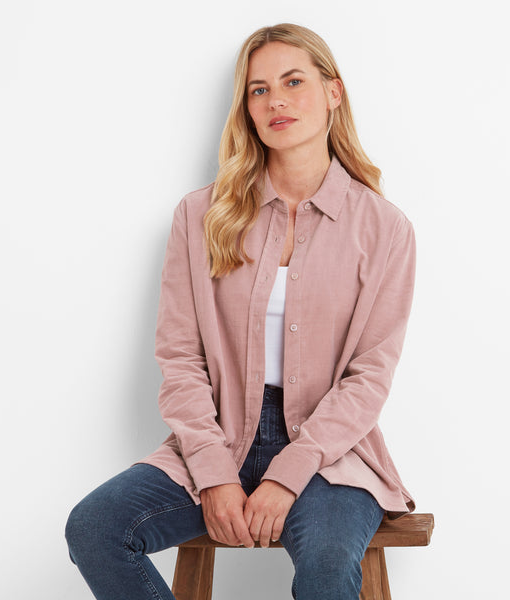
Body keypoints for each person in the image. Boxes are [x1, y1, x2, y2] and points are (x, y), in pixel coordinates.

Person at [65, 22, 417, 600]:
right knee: (96, 527)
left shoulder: (384, 228)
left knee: (328, 568)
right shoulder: (201, 216)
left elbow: (369, 376)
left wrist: (289, 473)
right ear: (247, 108)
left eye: (293, 81)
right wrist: (212, 469)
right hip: (219, 433)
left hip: (331, 454)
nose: (276, 100)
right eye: (259, 89)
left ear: (334, 92)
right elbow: (180, 357)